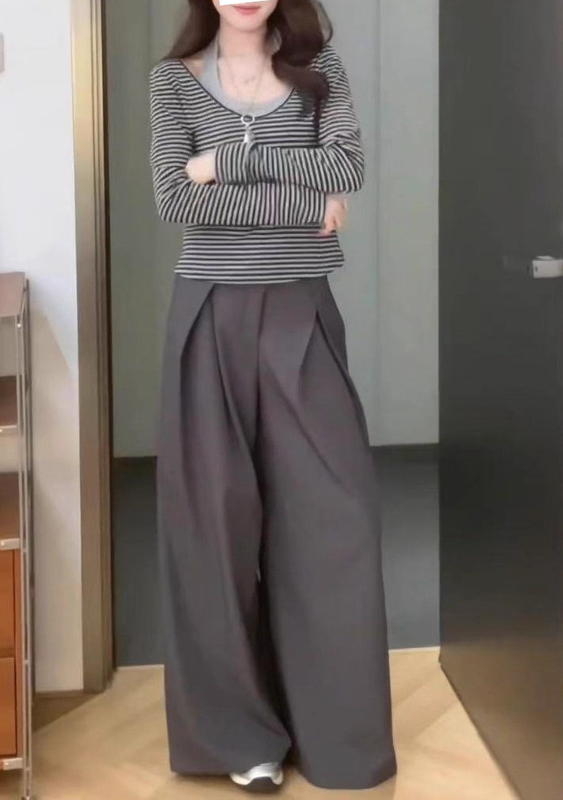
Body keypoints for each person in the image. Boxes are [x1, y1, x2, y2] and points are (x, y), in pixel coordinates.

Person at [149, 0, 397, 792]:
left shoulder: (320, 70)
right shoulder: (173, 82)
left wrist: (224, 162)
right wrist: (301, 199)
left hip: (301, 311)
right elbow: (174, 199)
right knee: (213, 530)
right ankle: (239, 738)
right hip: (209, 311)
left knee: (333, 520)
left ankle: (336, 738)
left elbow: (347, 171)